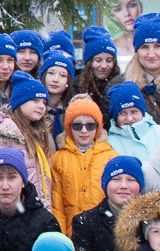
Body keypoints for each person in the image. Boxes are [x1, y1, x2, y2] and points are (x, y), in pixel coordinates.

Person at [0, 73, 53, 210]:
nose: (42, 106)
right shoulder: (5, 133)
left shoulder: (38, 134)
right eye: (35, 101)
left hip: (36, 205)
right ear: (19, 103)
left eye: (44, 102)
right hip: (17, 206)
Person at [72, 157, 144, 251]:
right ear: (105, 184)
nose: (123, 185)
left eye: (131, 180)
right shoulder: (85, 222)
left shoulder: (153, 222)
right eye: (116, 179)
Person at [47, 96, 115, 233]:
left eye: (90, 125)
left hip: (103, 232)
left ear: (98, 127)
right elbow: (57, 206)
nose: (84, 131)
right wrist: (61, 236)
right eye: (77, 125)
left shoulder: (111, 157)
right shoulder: (58, 159)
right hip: (72, 233)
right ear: (69, 127)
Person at [103, 81, 160, 166]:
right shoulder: (110, 142)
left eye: (134, 112)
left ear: (142, 112)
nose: (130, 118)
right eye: (123, 113)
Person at [75, 29, 121, 112]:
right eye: (98, 60)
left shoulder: (120, 84)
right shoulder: (76, 85)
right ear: (89, 62)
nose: (104, 66)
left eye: (109, 60)